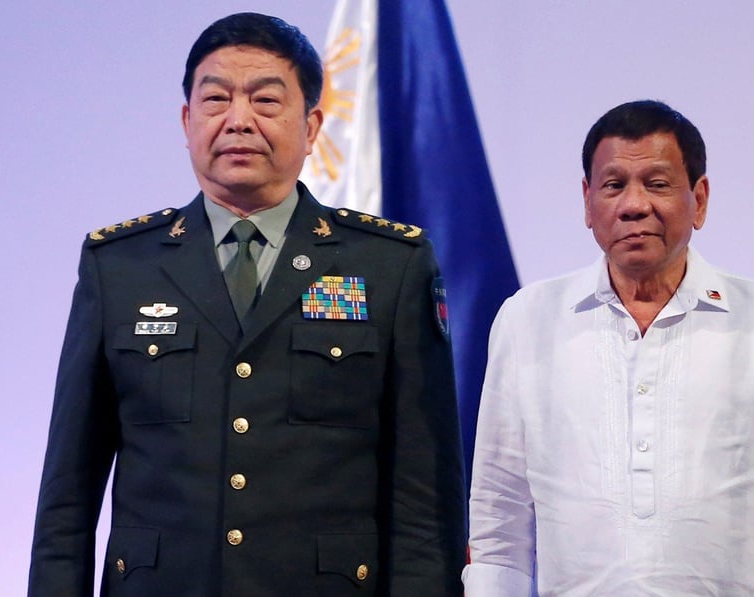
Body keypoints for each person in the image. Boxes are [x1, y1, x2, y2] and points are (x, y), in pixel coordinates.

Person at [29, 12, 466, 596]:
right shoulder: (119, 266)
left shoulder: (389, 265)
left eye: (265, 100)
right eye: (216, 99)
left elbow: (425, 497)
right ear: (187, 121)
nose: (238, 120)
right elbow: (68, 492)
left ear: (311, 127)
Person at [463, 100, 754, 595]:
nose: (634, 204)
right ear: (587, 201)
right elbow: (499, 529)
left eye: (657, 183)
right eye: (613, 185)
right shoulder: (527, 321)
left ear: (700, 199)